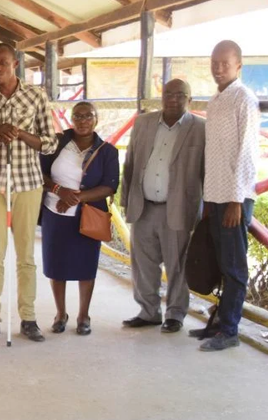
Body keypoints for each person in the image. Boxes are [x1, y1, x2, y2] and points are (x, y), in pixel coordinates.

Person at [0, 44, 58, 343]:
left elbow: (49, 143)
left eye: (3, 62)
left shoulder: (36, 95)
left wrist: (20, 133)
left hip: (28, 183)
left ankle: (28, 317)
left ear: (16, 64)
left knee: (26, 255)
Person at [121, 79, 205, 333]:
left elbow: (207, 171)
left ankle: (175, 314)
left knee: (178, 264)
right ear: (162, 96)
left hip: (179, 208)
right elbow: (130, 162)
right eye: (169, 93)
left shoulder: (201, 128)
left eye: (180, 95)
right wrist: (126, 200)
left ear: (189, 100)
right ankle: (148, 312)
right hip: (144, 206)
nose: (173, 99)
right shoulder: (143, 123)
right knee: (143, 264)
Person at [195, 40, 260, 352]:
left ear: (238, 66)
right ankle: (219, 323)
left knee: (234, 268)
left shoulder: (243, 98)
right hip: (216, 195)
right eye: (214, 63)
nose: (218, 69)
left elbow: (247, 153)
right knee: (221, 263)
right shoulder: (217, 99)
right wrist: (210, 199)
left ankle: (230, 330)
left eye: (225, 63)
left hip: (235, 198)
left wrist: (236, 200)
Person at [40, 102, 119, 336]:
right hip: (55, 212)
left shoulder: (107, 151)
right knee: (56, 265)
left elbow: (110, 186)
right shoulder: (57, 143)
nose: (83, 121)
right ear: (71, 119)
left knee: (86, 266)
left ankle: (84, 315)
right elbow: (39, 172)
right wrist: (59, 190)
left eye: (88, 116)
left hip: (88, 215)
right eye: (78, 116)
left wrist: (75, 198)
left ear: (96, 119)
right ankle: (60, 313)